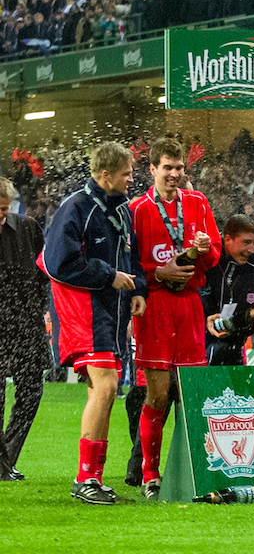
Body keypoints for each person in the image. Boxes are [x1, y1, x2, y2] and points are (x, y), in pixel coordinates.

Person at [42, 141, 147, 504]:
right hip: (82, 310)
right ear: (105, 175)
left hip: (109, 311)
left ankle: (94, 479)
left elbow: (129, 256)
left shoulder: (121, 210)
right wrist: (108, 276)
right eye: (126, 173)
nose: (132, 179)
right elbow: (56, 263)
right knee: (105, 388)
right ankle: (85, 479)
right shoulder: (76, 208)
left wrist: (137, 288)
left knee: (104, 390)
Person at [128, 137, 221, 499]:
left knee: (192, 393)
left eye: (179, 168)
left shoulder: (197, 202)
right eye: (167, 167)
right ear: (152, 169)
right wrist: (158, 273)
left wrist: (203, 250)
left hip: (189, 306)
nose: (174, 174)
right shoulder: (138, 209)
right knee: (158, 395)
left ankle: (195, 471)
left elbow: (213, 258)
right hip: (155, 306)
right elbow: (132, 265)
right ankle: (150, 476)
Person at [0, 176, 49, 481]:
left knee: (31, 395)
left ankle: (5, 459)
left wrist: (41, 309)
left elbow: (45, 271)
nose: (1, 216)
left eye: (4, 210)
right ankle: (3, 465)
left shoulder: (29, 228)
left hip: (27, 327)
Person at [201, 214, 254, 366]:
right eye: (246, 243)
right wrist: (205, 319)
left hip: (236, 344)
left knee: (234, 389)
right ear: (227, 239)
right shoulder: (208, 258)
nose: (251, 249)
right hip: (200, 344)